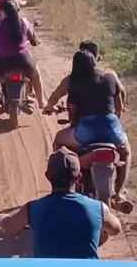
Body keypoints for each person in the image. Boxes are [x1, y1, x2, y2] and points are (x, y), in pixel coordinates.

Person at [0, 148, 122, 258]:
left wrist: (1, 219)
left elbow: (9, 227)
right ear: (79, 177)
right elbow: (116, 229)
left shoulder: (33, 208)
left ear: (48, 176)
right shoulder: (99, 208)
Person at [50, 49, 130, 201]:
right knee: (125, 152)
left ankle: (64, 176)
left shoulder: (75, 83)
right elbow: (119, 107)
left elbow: (72, 112)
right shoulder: (110, 77)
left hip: (86, 131)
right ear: (95, 61)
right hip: (111, 128)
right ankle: (120, 193)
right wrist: (115, 124)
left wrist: (73, 125)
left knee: (59, 139)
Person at [0, 0, 45, 108]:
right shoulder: (24, 22)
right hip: (22, 60)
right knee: (35, 73)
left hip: (1, 61)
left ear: (2, 12)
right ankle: (41, 102)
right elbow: (33, 38)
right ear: (17, 10)